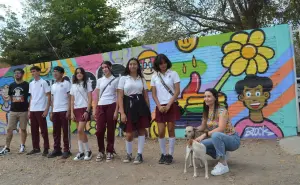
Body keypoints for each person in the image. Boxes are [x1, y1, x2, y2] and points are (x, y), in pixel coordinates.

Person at [195, 88, 240, 176]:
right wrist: (191, 130)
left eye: (209, 96)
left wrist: (204, 135)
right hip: (218, 138)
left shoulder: (222, 110)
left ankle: (223, 165)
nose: (206, 99)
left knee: (215, 135)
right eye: (205, 96)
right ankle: (221, 154)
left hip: (232, 139)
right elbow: (202, 127)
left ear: (215, 98)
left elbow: (221, 128)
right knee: (200, 144)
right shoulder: (206, 111)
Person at [118, 58, 151, 164]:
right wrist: (122, 112)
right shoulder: (123, 78)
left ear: (138, 66)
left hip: (141, 105)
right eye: (130, 64)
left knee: (141, 130)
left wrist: (148, 109)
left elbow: (145, 95)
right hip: (128, 105)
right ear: (128, 66)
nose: (132, 66)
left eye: (135, 64)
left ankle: (139, 154)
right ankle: (129, 154)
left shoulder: (142, 79)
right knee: (129, 133)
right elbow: (120, 96)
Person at [151, 54, 181, 165]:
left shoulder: (173, 74)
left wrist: (169, 105)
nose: (163, 65)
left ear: (167, 62)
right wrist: (159, 106)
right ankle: (163, 154)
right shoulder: (154, 77)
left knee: (171, 129)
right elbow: (154, 94)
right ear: (157, 65)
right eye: (160, 63)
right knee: (161, 131)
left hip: (171, 104)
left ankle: (170, 155)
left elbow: (177, 91)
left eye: (164, 62)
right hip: (160, 106)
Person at [94, 61, 119, 162]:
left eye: (106, 67)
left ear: (110, 67)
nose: (104, 69)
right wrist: (95, 109)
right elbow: (97, 96)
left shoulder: (116, 80)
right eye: (103, 67)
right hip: (101, 106)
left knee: (111, 130)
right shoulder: (100, 80)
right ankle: (101, 150)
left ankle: (110, 151)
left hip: (111, 105)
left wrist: (116, 111)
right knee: (99, 131)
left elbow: (118, 97)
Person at [0, 68, 29, 155]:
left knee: (23, 129)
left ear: (22, 74)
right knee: (9, 129)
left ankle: (22, 145)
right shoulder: (12, 85)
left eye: (18, 73)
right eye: (15, 73)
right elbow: (9, 97)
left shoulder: (26, 85)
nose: (16, 74)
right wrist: (4, 97)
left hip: (23, 111)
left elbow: (31, 96)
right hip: (13, 111)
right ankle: (7, 147)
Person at [48, 66, 72, 159]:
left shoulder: (67, 84)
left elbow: (70, 98)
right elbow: (53, 99)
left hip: (64, 110)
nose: (55, 73)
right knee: (56, 132)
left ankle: (67, 150)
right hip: (55, 111)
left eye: (56, 72)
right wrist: (51, 111)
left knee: (65, 131)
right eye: (53, 72)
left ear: (62, 73)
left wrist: (69, 110)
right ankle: (57, 149)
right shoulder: (53, 85)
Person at [27, 66, 51, 156]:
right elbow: (32, 96)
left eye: (34, 71)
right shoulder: (31, 83)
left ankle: (46, 148)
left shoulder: (44, 82)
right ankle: (36, 148)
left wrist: (46, 109)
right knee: (34, 130)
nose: (32, 73)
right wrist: (29, 109)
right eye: (31, 72)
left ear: (38, 72)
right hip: (33, 109)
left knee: (44, 130)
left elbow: (48, 95)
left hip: (41, 109)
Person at [70, 67, 93, 161]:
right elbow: (72, 100)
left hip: (84, 108)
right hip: (76, 109)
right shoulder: (73, 85)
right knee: (78, 131)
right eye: (77, 73)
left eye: (80, 73)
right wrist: (71, 112)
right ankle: (81, 152)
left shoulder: (87, 83)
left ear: (83, 74)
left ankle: (88, 151)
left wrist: (87, 110)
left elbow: (90, 98)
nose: (79, 74)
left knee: (80, 130)